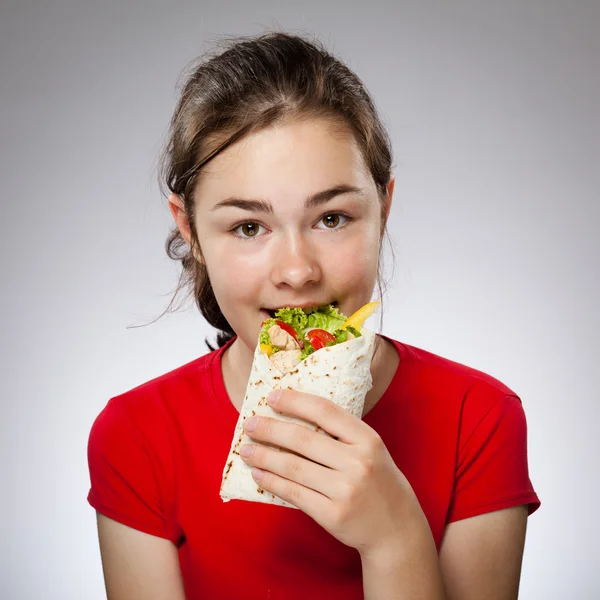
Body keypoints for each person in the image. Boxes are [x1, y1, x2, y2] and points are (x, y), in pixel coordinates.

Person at [87, 31, 540, 599]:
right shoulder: (136, 436)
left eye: (332, 218)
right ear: (190, 231)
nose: (297, 272)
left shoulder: (480, 420)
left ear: (384, 208)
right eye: (248, 227)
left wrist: (393, 537)